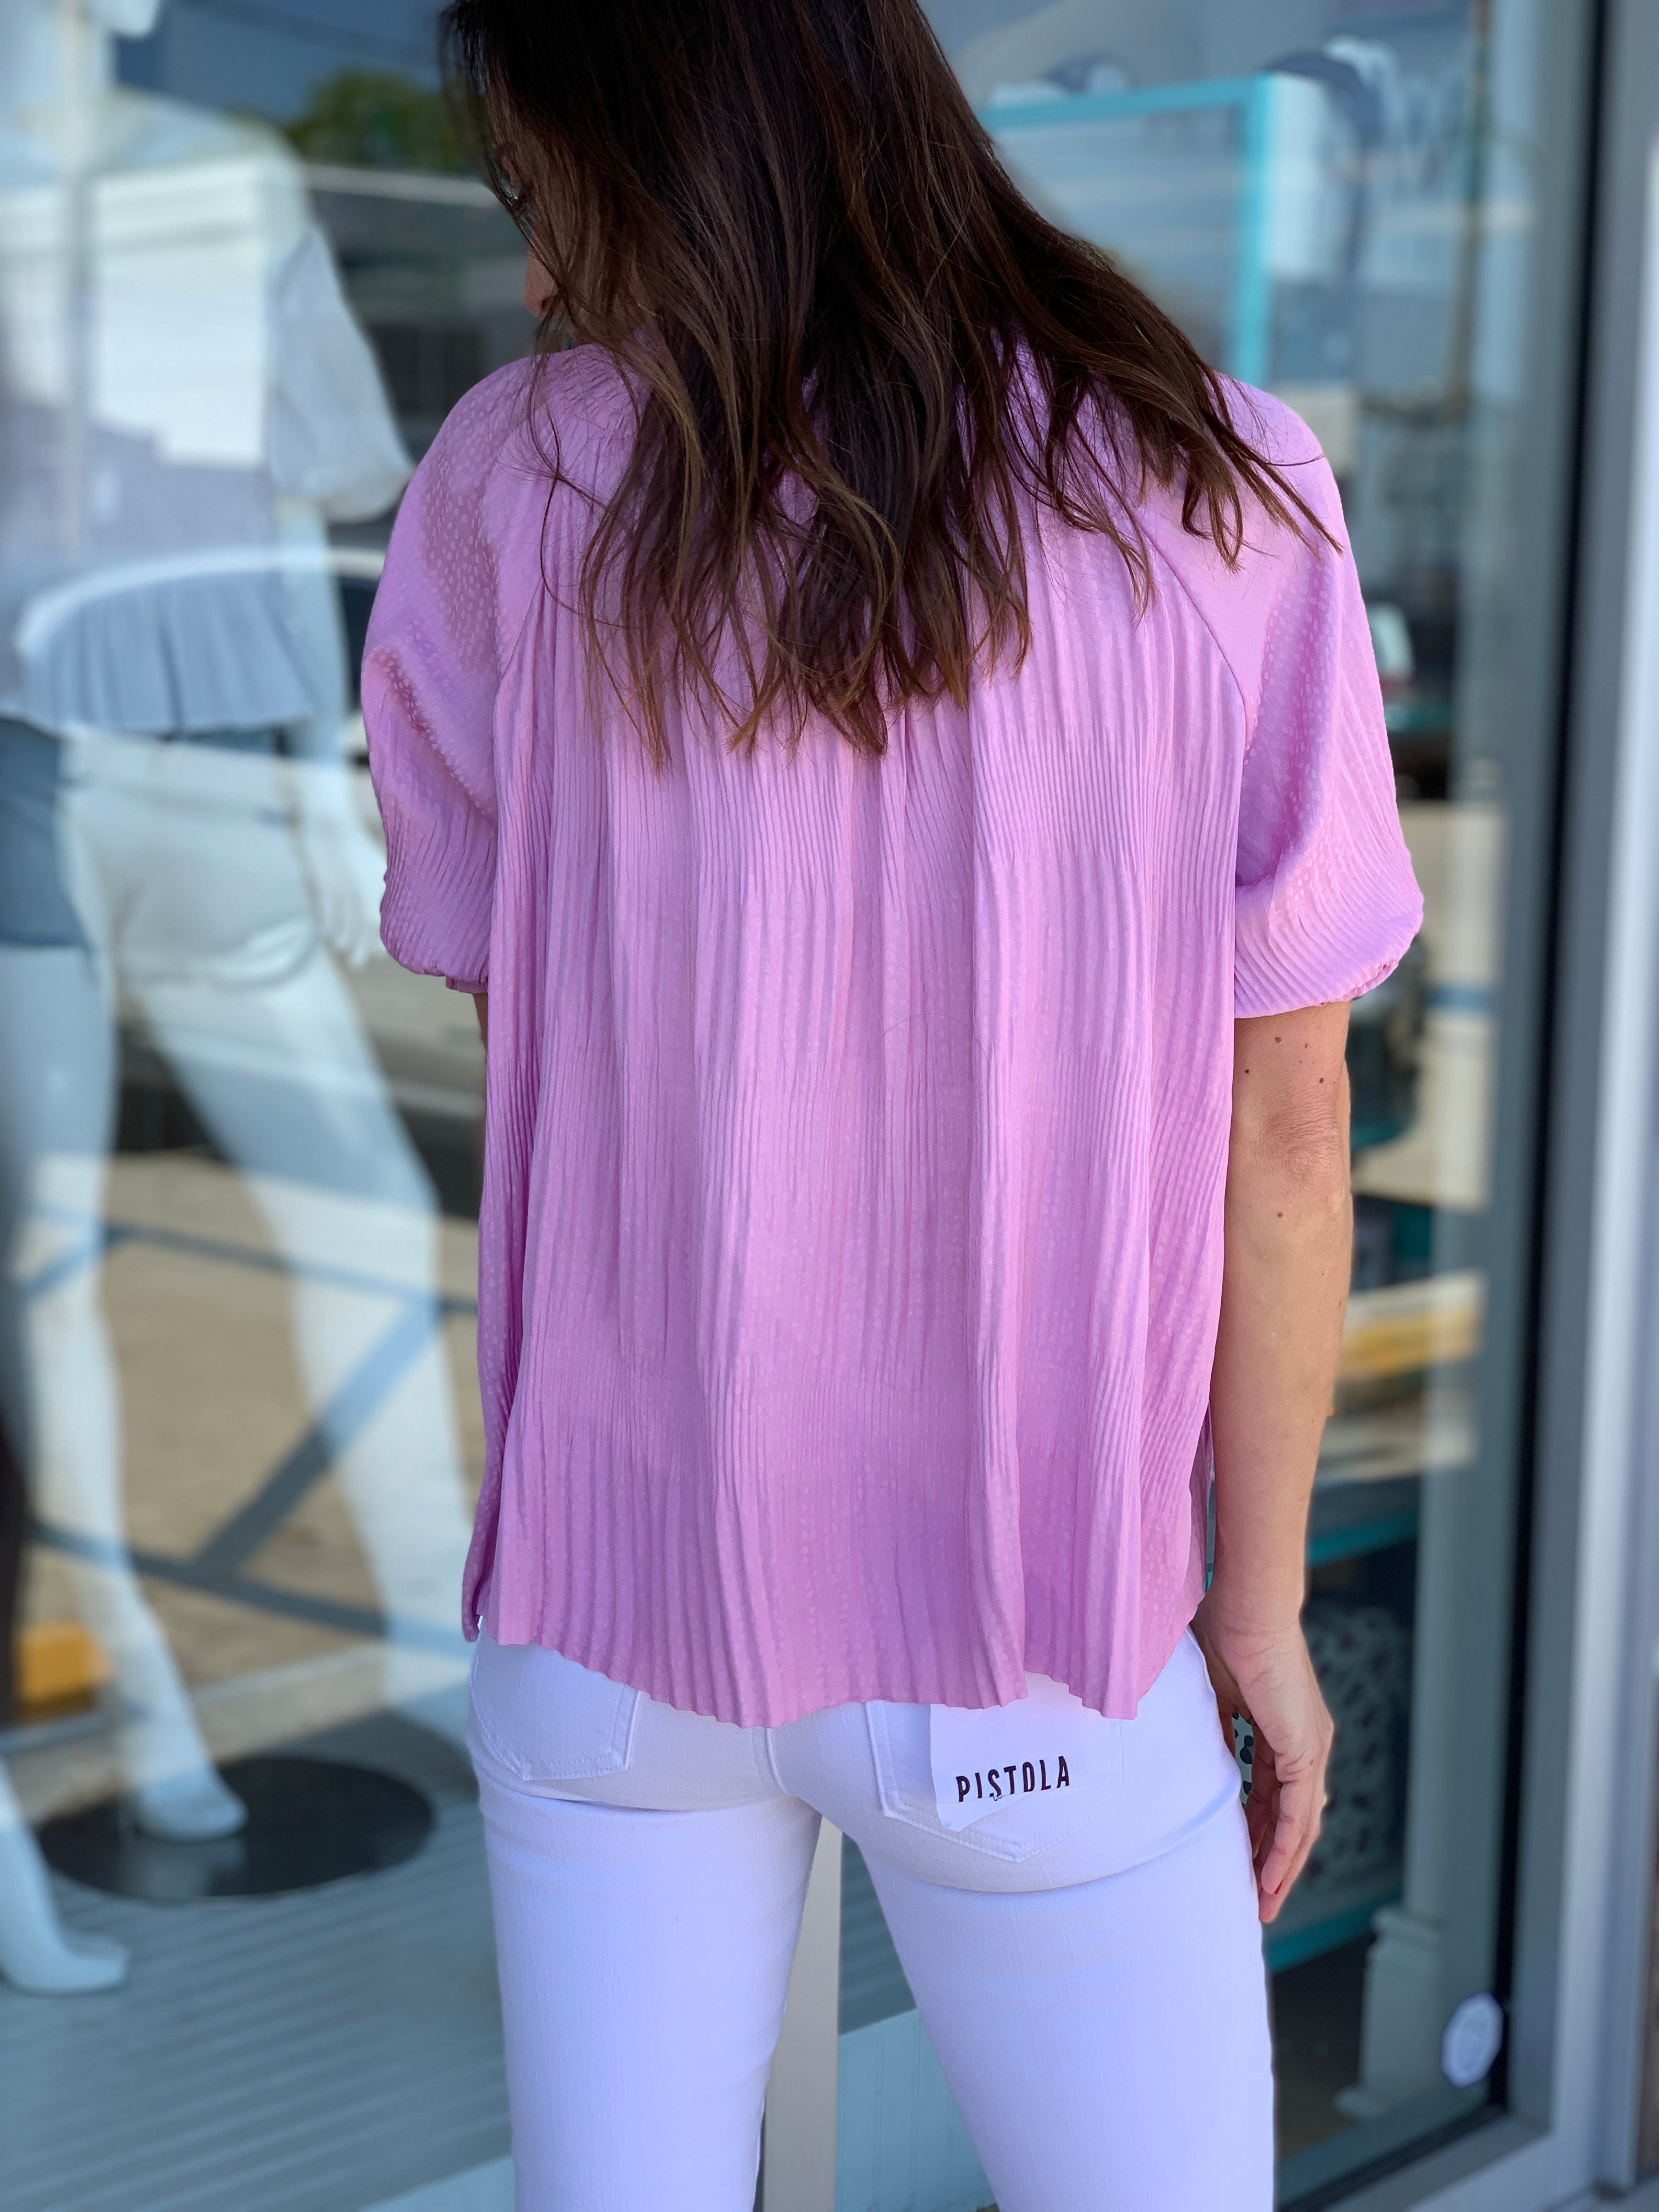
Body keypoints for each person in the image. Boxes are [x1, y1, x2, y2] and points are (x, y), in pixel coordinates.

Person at [362, 1, 1423, 2203]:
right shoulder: (1217, 487)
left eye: (553, 193)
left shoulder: (508, 478)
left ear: (684, 154)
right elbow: (1291, 1131)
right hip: (1034, 1637)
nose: (542, 271)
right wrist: (1257, 1607)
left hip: (612, 1616)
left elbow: (522, 1012)